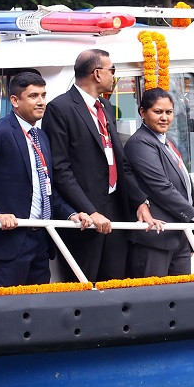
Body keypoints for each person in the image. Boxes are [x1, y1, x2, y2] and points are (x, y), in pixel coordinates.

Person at [0, 71, 91, 288]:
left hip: (41, 240)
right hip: (10, 238)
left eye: (43, 95)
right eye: (33, 96)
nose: (41, 102)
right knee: (5, 309)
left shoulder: (42, 137)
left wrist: (72, 213)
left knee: (38, 307)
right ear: (15, 100)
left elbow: (47, 190)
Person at [43, 48, 151, 282]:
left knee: (114, 282)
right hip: (84, 215)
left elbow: (120, 161)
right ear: (97, 73)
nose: (114, 75)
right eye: (112, 70)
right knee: (82, 283)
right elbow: (60, 170)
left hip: (115, 207)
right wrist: (90, 210)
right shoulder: (60, 108)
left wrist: (140, 202)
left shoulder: (105, 107)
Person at [123, 88, 194, 277]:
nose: (164, 118)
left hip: (179, 234)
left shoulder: (168, 141)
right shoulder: (140, 143)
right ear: (143, 112)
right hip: (156, 237)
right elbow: (161, 187)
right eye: (158, 112)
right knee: (154, 298)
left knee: (182, 297)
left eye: (169, 112)